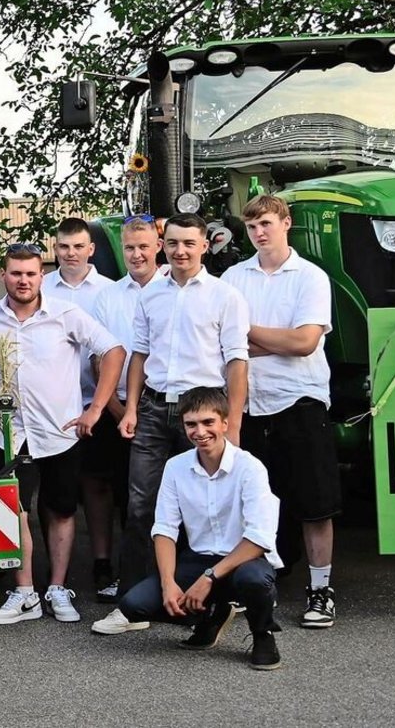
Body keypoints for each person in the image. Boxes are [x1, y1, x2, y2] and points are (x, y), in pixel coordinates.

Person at [0, 243, 123, 625]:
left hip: (60, 430)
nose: (23, 280)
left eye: (30, 273)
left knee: (60, 509)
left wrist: (95, 408)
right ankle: (24, 593)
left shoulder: (65, 314)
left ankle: (58, 588)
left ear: (42, 275)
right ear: (3, 275)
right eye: (15, 273)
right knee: (15, 510)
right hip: (10, 432)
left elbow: (113, 351)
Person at [222, 194, 340, 629]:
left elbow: (305, 342)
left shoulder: (311, 277)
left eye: (267, 223)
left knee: (315, 503)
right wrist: (276, 340)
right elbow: (228, 345)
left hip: (301, 398)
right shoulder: (234, 277)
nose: (259, 232)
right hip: (250, 404)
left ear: (286, 223)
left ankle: (321, 590)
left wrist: (248, 335)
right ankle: (254, 586)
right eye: (252, 226)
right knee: (253, 502)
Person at [118, 213, 250, 596]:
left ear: (205, 246)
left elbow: (237, 361)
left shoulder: (225, 296)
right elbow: (139, 355)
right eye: (173, 243)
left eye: (189, 243)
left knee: (207, 509)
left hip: (203, 414)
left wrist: (234, 424)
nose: (180, 251)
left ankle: (209, 597)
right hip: (155, 410)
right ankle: (136, 598)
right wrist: (130, 409)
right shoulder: (150, 295)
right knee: (141, 505)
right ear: (163, 245)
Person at [111, 387, 282, 670]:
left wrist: (208, 578)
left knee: (254, 581)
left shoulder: (250, 468)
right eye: (191, 424)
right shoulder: (175, 467)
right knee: (134, 604)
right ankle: (209, 618)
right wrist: (169, 585)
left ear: (225, 424)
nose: (200, 431)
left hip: (245, 560)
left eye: (208, 422)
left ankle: (263, 635)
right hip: (199, 558)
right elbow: (165, 528)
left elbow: (259, 538)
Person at [88, 217, 169, 633]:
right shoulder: (108, 295)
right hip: (122, 410)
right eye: (129, 248)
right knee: (133, 504)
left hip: (171, 408)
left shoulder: (176, 287)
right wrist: (121, 411)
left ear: (158, 244)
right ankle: (135, 589)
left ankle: (179, 586)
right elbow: (100, 356)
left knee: (179, 503)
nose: (136, 255)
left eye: (143, 246)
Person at [42, 216, 119, 602]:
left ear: (91, 249)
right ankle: (56, 574)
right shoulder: (38, 288)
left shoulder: (109, 292)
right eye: (63, 247)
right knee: (56, 495)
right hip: (51, 410)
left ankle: (102, 563)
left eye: (78, 247)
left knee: (98, 486)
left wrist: (105, 405)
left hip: (94, 404)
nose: (70, 254)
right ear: (54, 249)